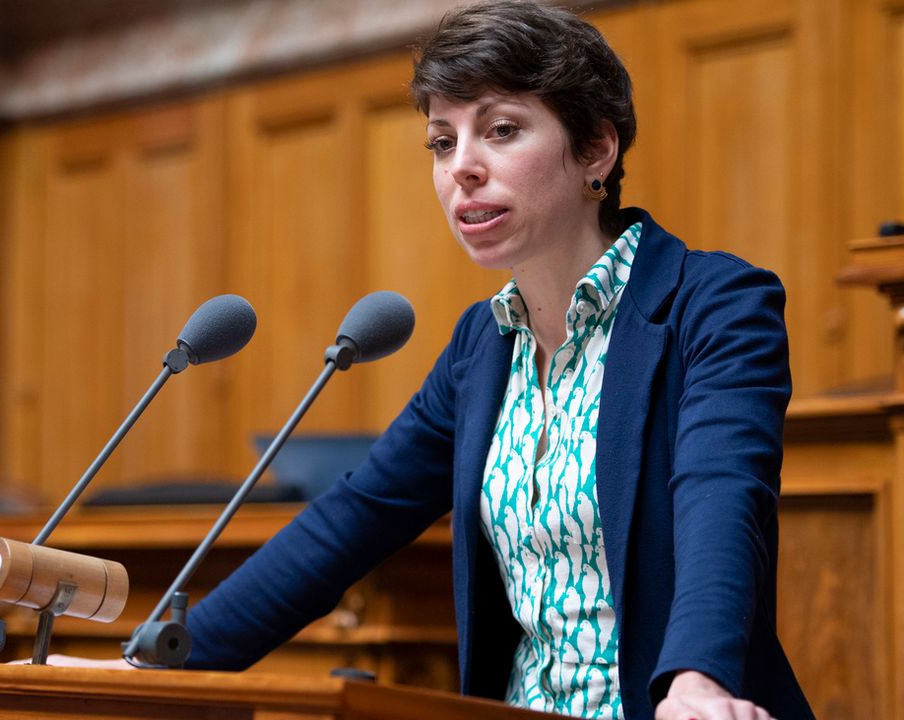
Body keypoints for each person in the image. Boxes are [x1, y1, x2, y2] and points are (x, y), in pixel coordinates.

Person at [173, 3, 815, 719]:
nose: (463, 170)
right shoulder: (482, 346)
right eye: (442, 143)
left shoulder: (714, 303)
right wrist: (159, 668)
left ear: (596, 148)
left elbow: (722, 499)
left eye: (501, 130)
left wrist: (698, 682)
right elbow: (349, 524)